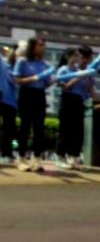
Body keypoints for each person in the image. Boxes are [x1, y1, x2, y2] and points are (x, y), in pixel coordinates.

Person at [13, 38, 54, 171]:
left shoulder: (45, 64)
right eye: (40, 45)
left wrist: (52, 80)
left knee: (39, 128)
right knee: (25, 126)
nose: (43, 48)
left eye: (44, 45)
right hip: (26, 94)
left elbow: (47, 82)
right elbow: (16, 80)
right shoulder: (23, 61)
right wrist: (33, 78)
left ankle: (37, 159)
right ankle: (21, 157)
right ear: (33, 47)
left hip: (39, 95)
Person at [55, 46, 93, 169]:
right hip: (68, 99)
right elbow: (65, 87)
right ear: (68, 57)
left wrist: (87, 77)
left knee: (77, 131)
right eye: (75, 55)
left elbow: (88, 88)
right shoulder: (63, 70)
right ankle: (60, 155)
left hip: (79, 101)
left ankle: (73, 156)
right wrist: (77, 77)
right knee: (65, 130)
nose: (78, 58)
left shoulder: (80, 70)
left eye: (79, 56)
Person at [0, 46, 19, 163]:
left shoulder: (18, 68)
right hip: (2, 98)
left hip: (12, 102)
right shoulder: (3, 63)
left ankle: (7, 153)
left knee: (9, 129)